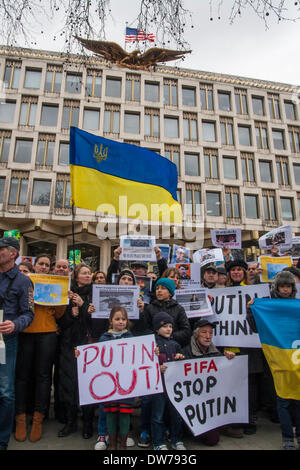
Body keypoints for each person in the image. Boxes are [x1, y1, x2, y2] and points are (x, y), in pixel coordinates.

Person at [14, 253, 66, 443]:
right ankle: (20, 418)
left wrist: (62, 297)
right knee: (22, 376)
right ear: (35, 266)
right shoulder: (24, 282)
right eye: (40, 264)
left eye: (46, 265)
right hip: (25, 332)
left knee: (44, 377)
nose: (43, 267)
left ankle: (38, 419)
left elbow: (59, 314)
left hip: (48, 333)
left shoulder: (55, 283)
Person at [247, 270, 300, 450]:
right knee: (283, 400)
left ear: (292, 288)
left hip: (297, 359)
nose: (285, 290)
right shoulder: (267, 306)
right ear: (276, 288)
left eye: (288, 286)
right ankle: (287, 438)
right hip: (279, 361)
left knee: (299, 400)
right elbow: (256, 328)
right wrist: (251, 310)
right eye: (282, 286)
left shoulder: (297, 306)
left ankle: (298, 434)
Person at [0, 237, 34, 450]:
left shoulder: (23, 282)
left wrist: (15, 325)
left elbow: (29, 313)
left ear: (12, 253)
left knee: (5, 391)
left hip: (5, 340)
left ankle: (2, 439)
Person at [183, 318, 235, 446]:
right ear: (196, 335)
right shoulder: (186, 352)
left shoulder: (216, 353)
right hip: (192, 404)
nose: (208, 336)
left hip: (209, 405)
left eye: (211, 333)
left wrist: (228, 358)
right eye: (204, 332)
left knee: (213, 440)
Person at [56, 263, 94, 439]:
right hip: (69, 344)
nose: (88, 275)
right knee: (69, 384)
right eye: (84, 273)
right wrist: (72, 314)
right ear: (76, 276)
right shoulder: (67, 293)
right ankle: (70, 422)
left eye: (89, 273)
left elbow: (97, 320)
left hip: (88, 345)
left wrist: (84, 305)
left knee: (87, 384)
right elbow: (61, 322)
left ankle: (87, 423)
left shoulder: (95, 292)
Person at [98, 306, 134, 450]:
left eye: (123, 319)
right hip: (109, 385)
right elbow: (96, 359)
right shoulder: (103, 338)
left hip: (126, 384)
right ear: (110, 321)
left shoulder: (131, 338)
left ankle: (123, 444)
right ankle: (112, 444)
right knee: (111, 413)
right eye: (117, 319)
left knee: (125, 415)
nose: (120, 322)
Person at [151, 312, 185, 450]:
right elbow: (146, 365)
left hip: (174, 388)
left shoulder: (175, 345)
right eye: (165, 326)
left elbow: (182, 363)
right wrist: (157, 368)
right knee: (157, 416)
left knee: (176, 415)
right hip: (158, 388)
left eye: (170, 326)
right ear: (157, 328)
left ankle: (177, 440)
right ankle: (158, 442)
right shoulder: (153, 345)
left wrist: (180, 357)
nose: (168, 329)